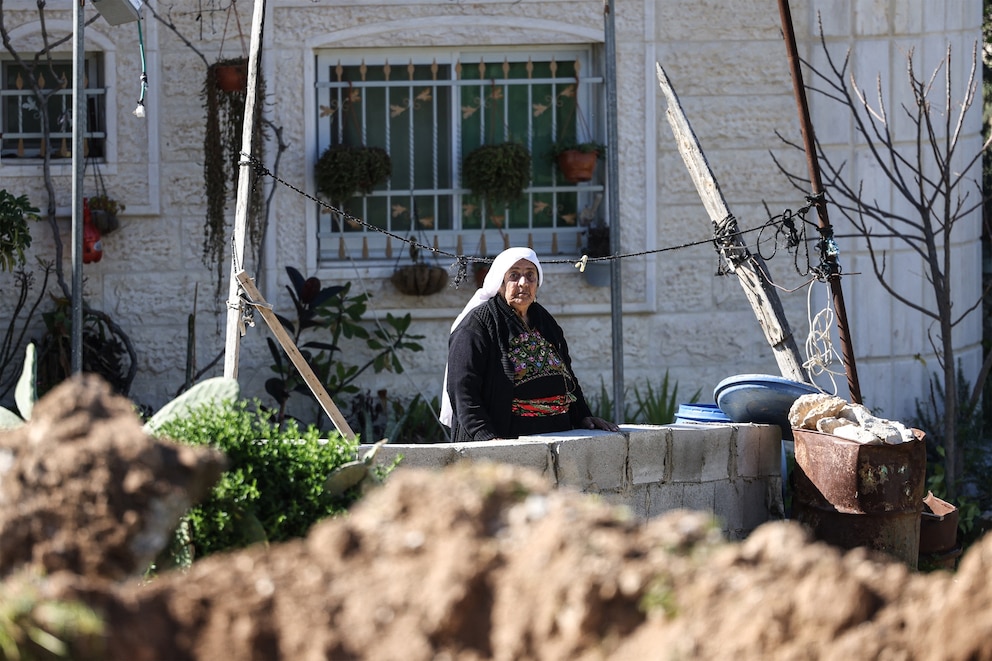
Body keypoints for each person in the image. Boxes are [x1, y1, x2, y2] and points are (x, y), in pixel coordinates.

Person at [440, 246, 619, 442]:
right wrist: (486, 437)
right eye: (514, 276)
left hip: (556, 437)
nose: (523, 283)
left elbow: (567, 376)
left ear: (537, 283)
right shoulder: (477, 325)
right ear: (500, 282)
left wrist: (583, 416)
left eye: (530, 275)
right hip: (504, 440)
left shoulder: (545, 321)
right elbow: (462, 389)